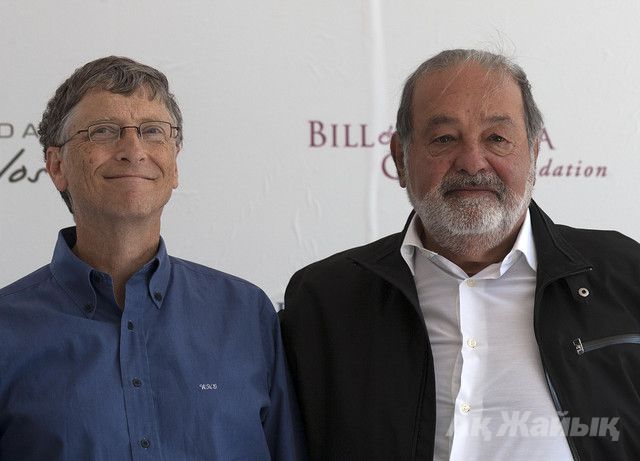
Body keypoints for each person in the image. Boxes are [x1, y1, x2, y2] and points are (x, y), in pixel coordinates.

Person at [279, 49, 640, 460]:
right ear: (400, 158)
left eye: (497, 138)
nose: (472, 162)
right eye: (444, 139)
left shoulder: (625, 274)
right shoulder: (325, 299)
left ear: (535, 154)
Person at [0, 56, 306, 460]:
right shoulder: (7, 329)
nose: (133, 149)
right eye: (104, 131)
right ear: (58, 167)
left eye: (152, 131)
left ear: (175, 165)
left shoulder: (246, 313)